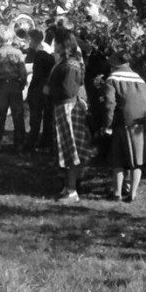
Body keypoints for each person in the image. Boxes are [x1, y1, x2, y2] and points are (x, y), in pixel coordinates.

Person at [102, 52, 146, 202]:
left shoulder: (112, 79)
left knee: (118, 159)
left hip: (123, 123)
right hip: (142, 123)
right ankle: (132, 192)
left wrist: (107, 125)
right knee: (137, 160)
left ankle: (117, 192)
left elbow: (109, 104)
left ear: (114, 65)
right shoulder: (140, 79)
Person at [45, 30, 92, 203]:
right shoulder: (66, 62)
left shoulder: (71, 64)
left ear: (63, 44)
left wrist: (50, 90)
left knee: (72, 150)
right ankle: (67, 187)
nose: (54, 45)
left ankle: (72, 191)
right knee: (65, 150)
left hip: (68, 108)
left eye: (56, 42)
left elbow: (69, 89)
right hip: (62, 107)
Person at [0, 24, 27, 152]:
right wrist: (22, 83)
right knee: (18, 116)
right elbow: (23, 71)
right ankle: (19, 145)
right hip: (15, 85)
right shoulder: (17, 53)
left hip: (2, 86)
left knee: (0, 116)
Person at [23, 28, 55, 153]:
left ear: (33, 39)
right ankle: (44, 142)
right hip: (44, 87)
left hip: (39, 87)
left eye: (28, 39)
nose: (27, 42)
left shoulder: (42, 52)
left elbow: (39, 72)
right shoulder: (41, 50)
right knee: (45, 116)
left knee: (37, 117)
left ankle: (32, 143)